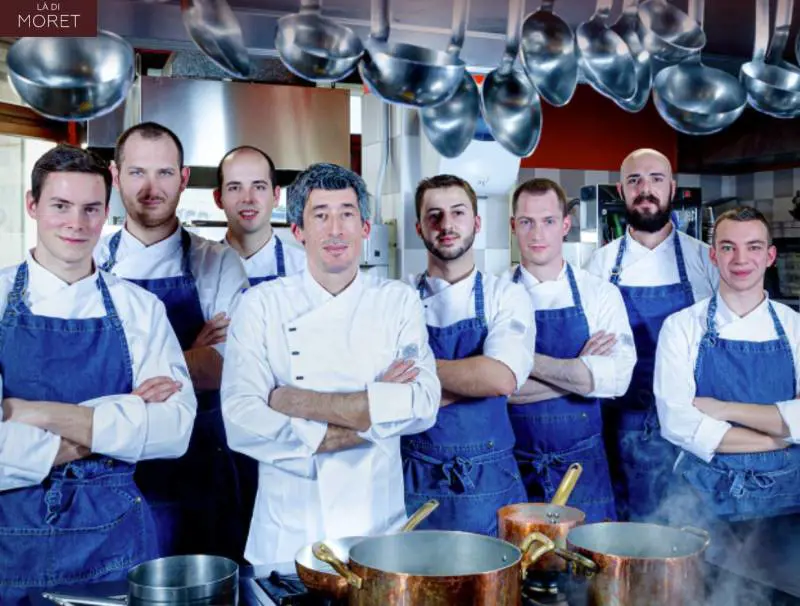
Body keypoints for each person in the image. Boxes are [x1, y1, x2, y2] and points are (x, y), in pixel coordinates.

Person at [0, 145, 196, 604]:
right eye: (60, 206)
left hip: (115, 544)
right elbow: (147, 427)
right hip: (9, 543)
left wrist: (27, 412)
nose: (76, 223)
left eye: (91, 209)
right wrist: (121, 420)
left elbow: (174, 431)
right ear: (32, 205)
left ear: (105, 212)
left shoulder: (140, 310)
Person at [221, 162, 440, 565]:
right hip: (288, 532)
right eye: (320, 215)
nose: (335, 230)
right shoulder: (260, 305)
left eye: (347, 214)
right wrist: (375, 411)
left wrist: (294, 401)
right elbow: (240, 419)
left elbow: (423, 404)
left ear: (365, 228)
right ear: (299, 230)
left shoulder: (397, 301)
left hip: (377, 530)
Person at [94, 122, 249, 560]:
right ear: (115, 176)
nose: (150, 188)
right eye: (137, 172)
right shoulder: (91, 261)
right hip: (110, 469)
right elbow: (71, 372)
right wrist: (188, 357)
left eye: (164, 173)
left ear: (183, 179)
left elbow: (225, 366)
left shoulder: (217, 263)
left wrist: (117, 373)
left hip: (202, 467)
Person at [655, 207, 800, 551]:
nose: (740, 259)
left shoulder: (795, 327)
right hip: (701, 498)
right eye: (728, 247)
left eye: (753, 247)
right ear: (713, 255)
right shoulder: (681, 327)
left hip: (786, 499)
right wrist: (775, 439)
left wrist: (721, 408)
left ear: (770, 256)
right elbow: (677, 421)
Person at [585, 148, 718, 522]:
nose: (646, 189)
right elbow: (589, 350)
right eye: (635, 180)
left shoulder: (704, 260)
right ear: (621, 191)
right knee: (624, 532)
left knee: (686, 528)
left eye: (656, 179)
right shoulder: (600, 264)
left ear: (672, 187)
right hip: (618, 422)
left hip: (689, 422)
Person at [402, 174, 534, 537]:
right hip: (413, 477)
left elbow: (499, 378)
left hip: (490, 477)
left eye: (458, 213)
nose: (446, 225)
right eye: (434, 215)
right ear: (419, 228)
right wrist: (470, 379)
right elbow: (378, 379)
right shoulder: (396, 299)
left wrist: (418, 378)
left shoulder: (506, 296)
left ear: (476, 222)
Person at [504, 178, 636, 522]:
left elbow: (617, 380)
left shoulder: (600, 294)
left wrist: (518, 363)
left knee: (588, 570)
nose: (537, 234)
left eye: (548, 221)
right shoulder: (495, 294)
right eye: (526, 222)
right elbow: (493, 390)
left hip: (583, 468)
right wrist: (579, 370)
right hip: (513, 467)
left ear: (565, 225)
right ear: (513, 226)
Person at [214, 145, 306, 284]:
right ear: (218, 198)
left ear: (276, 196)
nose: (248, 198)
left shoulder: (305, 270)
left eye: (259, 187)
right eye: (234, 188)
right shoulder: (199, 269)